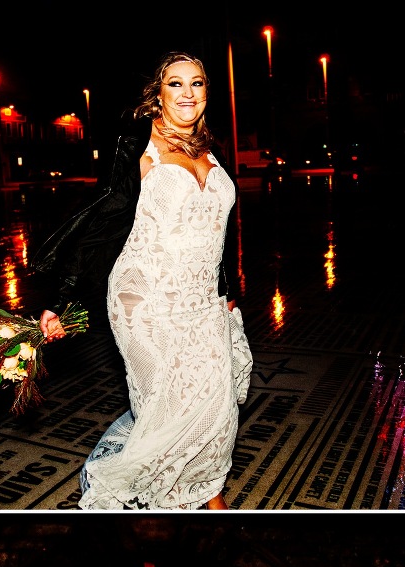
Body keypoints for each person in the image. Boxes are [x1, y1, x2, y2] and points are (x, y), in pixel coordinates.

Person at [33, 51, 251, 511]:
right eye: (176, 84)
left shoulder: (212, 147)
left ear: (208, 92)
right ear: (158, 93)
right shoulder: (137, 143)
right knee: (165, 407)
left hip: (202, 299)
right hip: (144, 300)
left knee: (215, 408)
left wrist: (226, 291)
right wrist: (61, 298)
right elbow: (100, 223)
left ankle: (207, 496)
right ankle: (115, 487)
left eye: (197, 83)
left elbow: (217, 227)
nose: (187, 93)